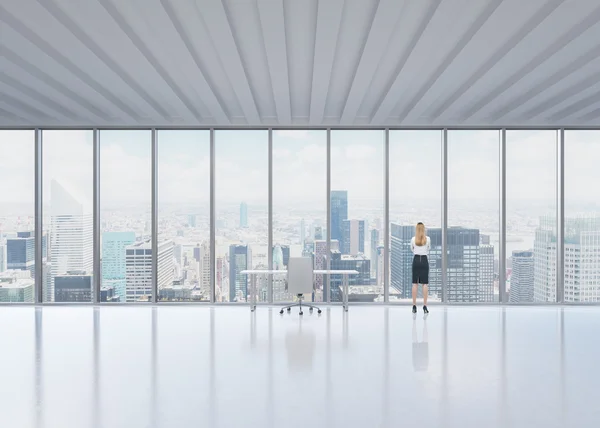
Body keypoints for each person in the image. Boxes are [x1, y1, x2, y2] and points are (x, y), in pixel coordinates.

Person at [411, 222, 430, 314]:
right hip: (424, 260)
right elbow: (428, 249)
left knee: (415, 283)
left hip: (416, 260)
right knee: (425, 284)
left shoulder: (413, 239)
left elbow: (412, 249)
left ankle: (414, 306)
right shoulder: (428, 239)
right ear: (423, 229)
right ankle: (425, 306)